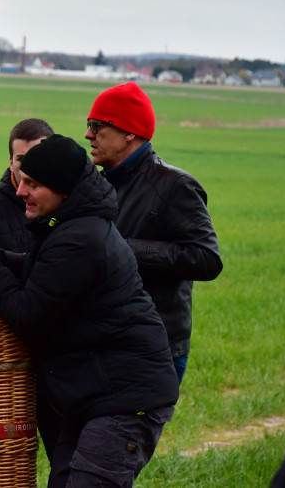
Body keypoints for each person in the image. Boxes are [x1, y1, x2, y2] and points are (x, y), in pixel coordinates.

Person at [0, 134, 179, 487]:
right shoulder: (73, 226)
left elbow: (27, 315)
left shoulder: (80, 238)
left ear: (64, 192)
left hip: (123, 398)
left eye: (34, 184)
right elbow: (40, 271)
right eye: (21, 180)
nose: (19, 192)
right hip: (96, 396)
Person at [85, 82, 222, 382]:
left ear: (129, 132)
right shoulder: (95, 184)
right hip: (103, 341)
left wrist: (124, 248)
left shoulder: (176, 185)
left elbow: (207, 259)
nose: (88, 135)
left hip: (155, 347)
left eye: (97, 126)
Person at [0, 118, 54, 255]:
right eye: (21, 159)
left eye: (37, 157)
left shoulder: (67, 204)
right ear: (11, 163)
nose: (29, 166)